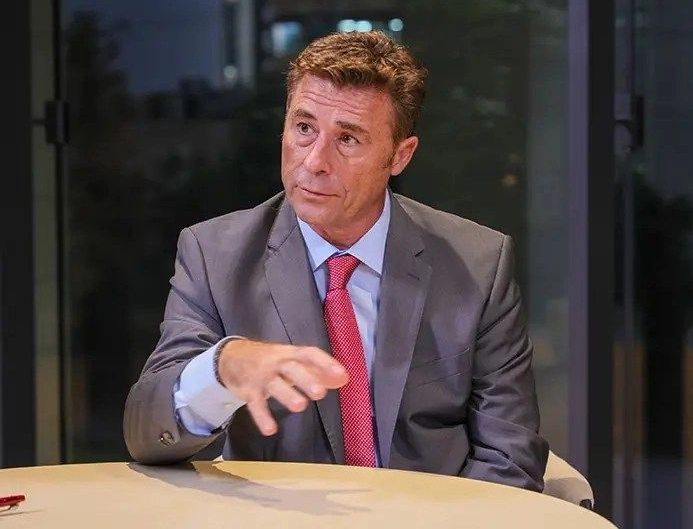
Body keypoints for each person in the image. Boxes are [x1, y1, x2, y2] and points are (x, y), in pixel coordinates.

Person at [124, 31, 548, 491]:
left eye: (348, 139)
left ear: (399, 155)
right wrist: (220, 369)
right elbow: (147, 435)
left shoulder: (477, 264)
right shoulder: (215, 255)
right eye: (304, 128)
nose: (314, 162)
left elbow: (509, 456)